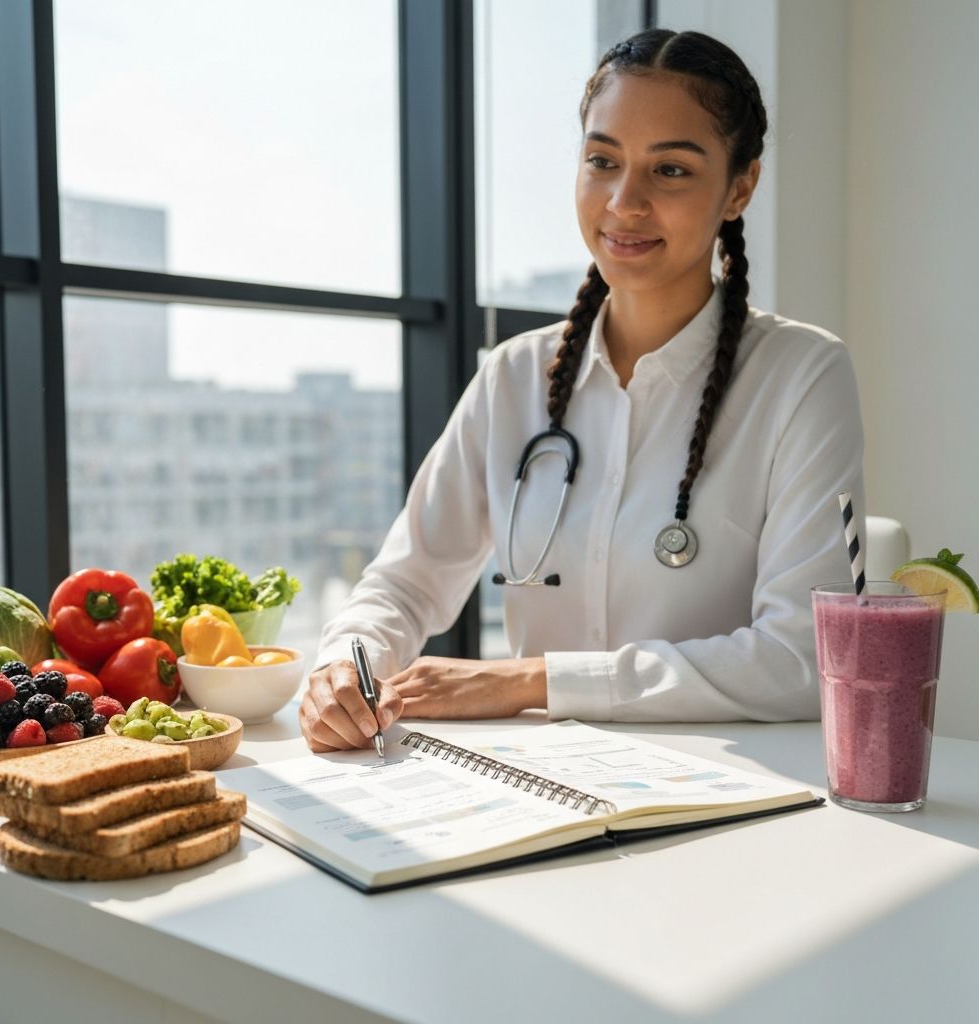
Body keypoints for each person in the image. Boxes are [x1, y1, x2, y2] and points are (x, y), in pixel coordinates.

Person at [299, 28, 864, 753]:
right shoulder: (511, 378)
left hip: (730, 799)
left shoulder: (801, 377)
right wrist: (344, 668)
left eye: (671, 172)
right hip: (542, 784)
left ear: (740, 187)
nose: (624, 202)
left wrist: (532, 680)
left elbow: (801, 661)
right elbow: (404, 584)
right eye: (603, 161)